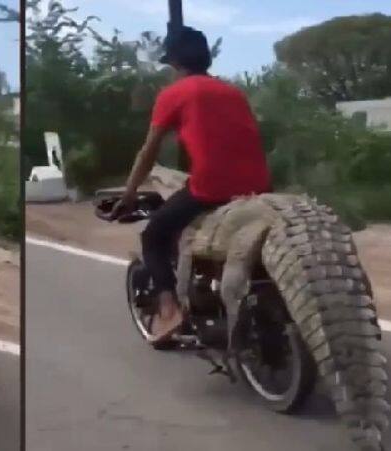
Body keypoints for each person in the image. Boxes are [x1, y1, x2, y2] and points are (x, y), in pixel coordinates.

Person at [111, 26, 271, 344]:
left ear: (174, 64)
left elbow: (149, 151)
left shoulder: (175, 94)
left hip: (211, 187)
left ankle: (170, 309)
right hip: (258, 185)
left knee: (154, 235)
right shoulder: (233, 92)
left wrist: (129, 193)